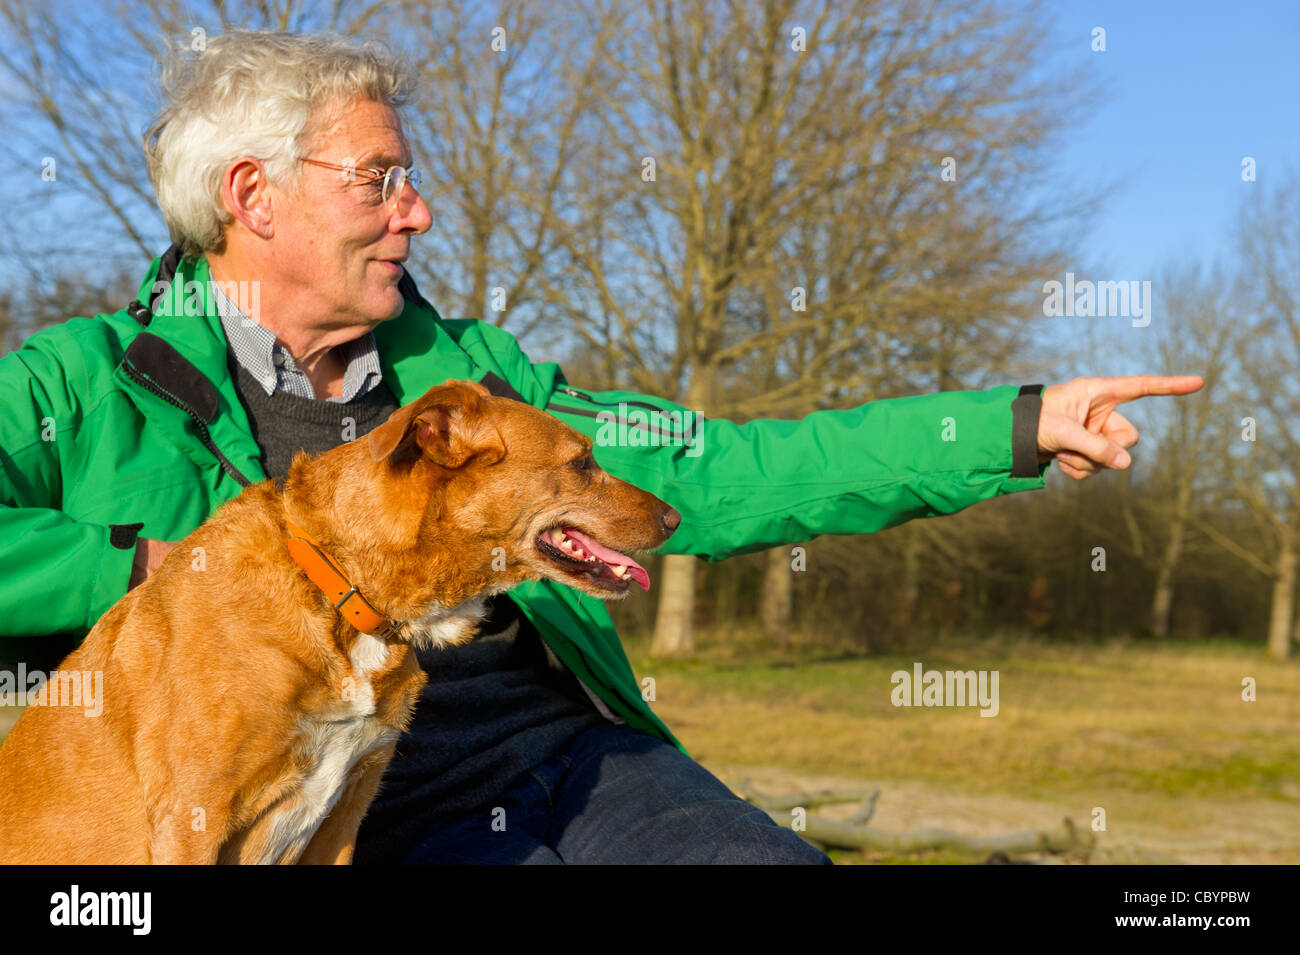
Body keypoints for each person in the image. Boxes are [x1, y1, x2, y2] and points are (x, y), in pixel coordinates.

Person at [0, 30, 1201, 864]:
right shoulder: (83, 383)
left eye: (409, 180)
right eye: (379, 179)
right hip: (372, 813)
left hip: (565, 755)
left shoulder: (484, 376)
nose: (415, 210)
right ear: (254, 197)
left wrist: (1005, 425)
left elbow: (712, 468)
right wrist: (137, 565)